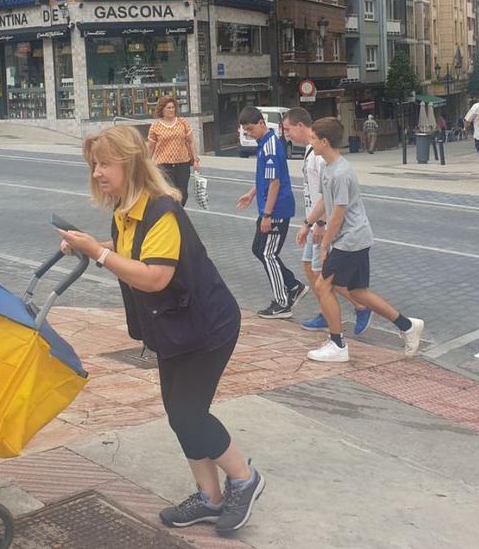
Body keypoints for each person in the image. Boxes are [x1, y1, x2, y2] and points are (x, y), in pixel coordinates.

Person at [56, 126, 264, 535]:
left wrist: (97, 253)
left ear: (130, 163)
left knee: (189, 413)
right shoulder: (125, 211)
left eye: (104, 164)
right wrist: (89, 245)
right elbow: (133, 253)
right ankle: (210, 499)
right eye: (93, 165)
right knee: (180, 414)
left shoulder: (162, 210)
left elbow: (154, 277)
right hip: (176, 328)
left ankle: (244, 479)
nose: (96, 173)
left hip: (207, 326)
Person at [303, 117, 425, 363]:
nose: (310, 142)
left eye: (313, 138)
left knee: (322, 286)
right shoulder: (328, 168)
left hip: (350, 239)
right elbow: (324, 203)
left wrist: (325, 245)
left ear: (325, 141)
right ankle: (408, 325)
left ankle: (337, 345)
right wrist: (307, 224)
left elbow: (337, 215)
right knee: (358, 292)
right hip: (351, 239)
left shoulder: (341, 173)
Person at [281, 108, 373, 335]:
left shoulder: (319, 156)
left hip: (327, 227)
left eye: (288, 129)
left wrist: (319, 225)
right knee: (313, 270)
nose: (287, 134)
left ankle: (356, 309)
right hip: (317, 222)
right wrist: (307, 222)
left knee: (323, 275)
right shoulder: (310, 152)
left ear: (300, 126)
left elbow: (327, 198)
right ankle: (330, 310)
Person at [236, 106, 305, 318]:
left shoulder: (270, 147)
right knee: (259, 248)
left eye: (250, 129)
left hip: (276, 209)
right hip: (269, 207)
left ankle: (282, 302)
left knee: (268, 253)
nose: (249, 133)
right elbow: (266, 178)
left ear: (261, 123)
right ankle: (293, 286)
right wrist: (251, 194)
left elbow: (275, 183)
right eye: (245, 131)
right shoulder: (265, 143)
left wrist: (267, 215)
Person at [147, 96, 199, 207]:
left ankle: (178, 211)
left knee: (183, 193)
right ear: (162, 110)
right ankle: (172, 215)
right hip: (164, 165)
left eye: (173, 107)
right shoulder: (155, 127)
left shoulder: (182, 123)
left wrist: (195, 160)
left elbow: (190, 142)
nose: (172, 110)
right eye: (168, 108)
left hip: (183, 163)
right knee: (168, 193)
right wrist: (147, 163)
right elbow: (151, 147)